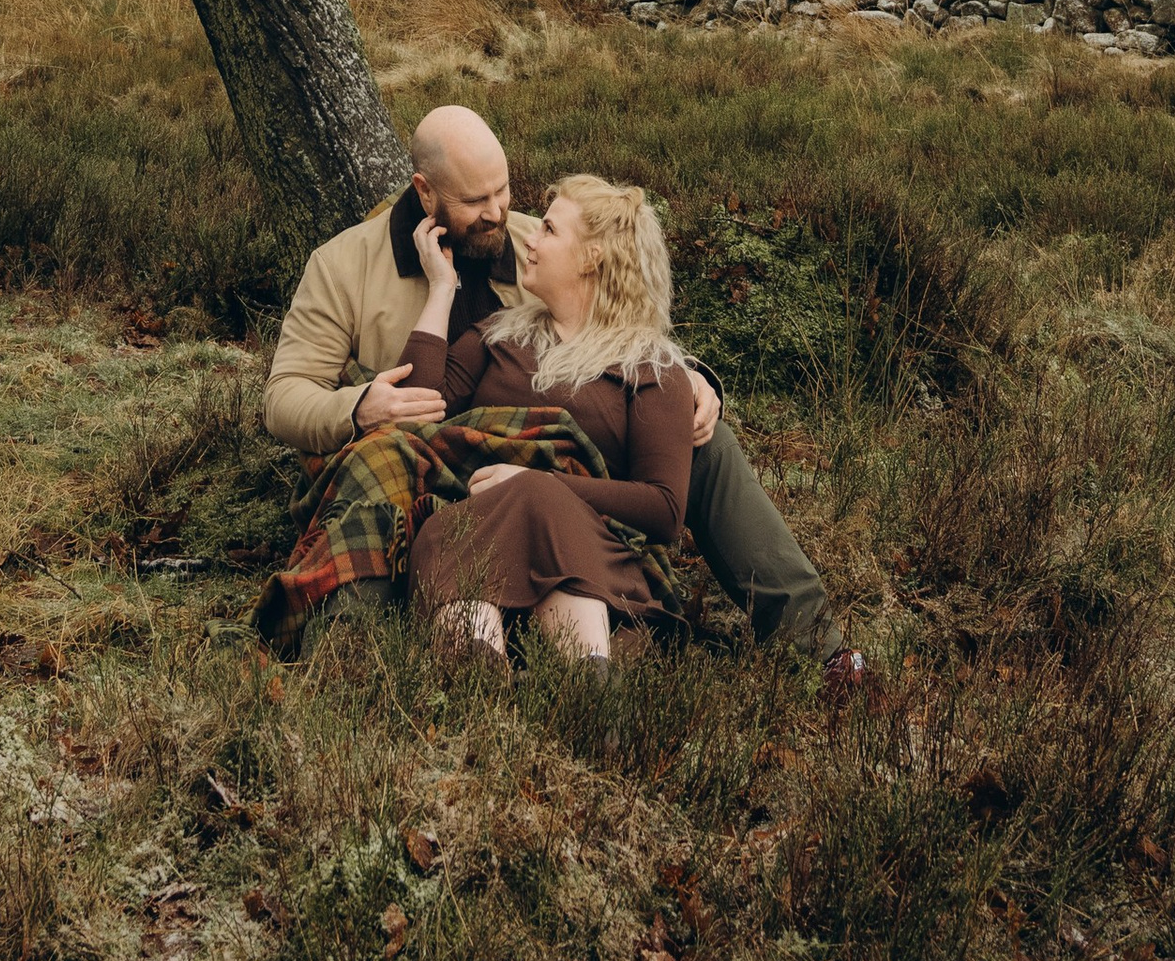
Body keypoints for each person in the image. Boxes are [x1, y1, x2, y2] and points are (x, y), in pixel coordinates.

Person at [262, 104, 844, 654]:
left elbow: (614, 315)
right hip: (433, 456)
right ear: (425, 192)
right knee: (379, 469)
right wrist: (360, 407)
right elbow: (283, 395)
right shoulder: (343, 266)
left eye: (503, 190)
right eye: (475, 200)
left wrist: (690, 379)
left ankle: (811, 637)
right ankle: (357, 644)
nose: (498, 214)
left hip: (559, 463)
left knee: (703, 442)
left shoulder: (531, 244)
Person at [407, 174, 692, 662]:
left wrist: (537, 483)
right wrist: (440, 288)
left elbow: (664, 510)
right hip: (477, 522)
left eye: (548, 230)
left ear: (592, 257)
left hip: (593, 549)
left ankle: (589, 687)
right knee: (449, 529)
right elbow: (416, 412)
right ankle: (472, 678)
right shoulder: (496, 335)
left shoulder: (651, 367)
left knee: (539, 500)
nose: (529, 241)